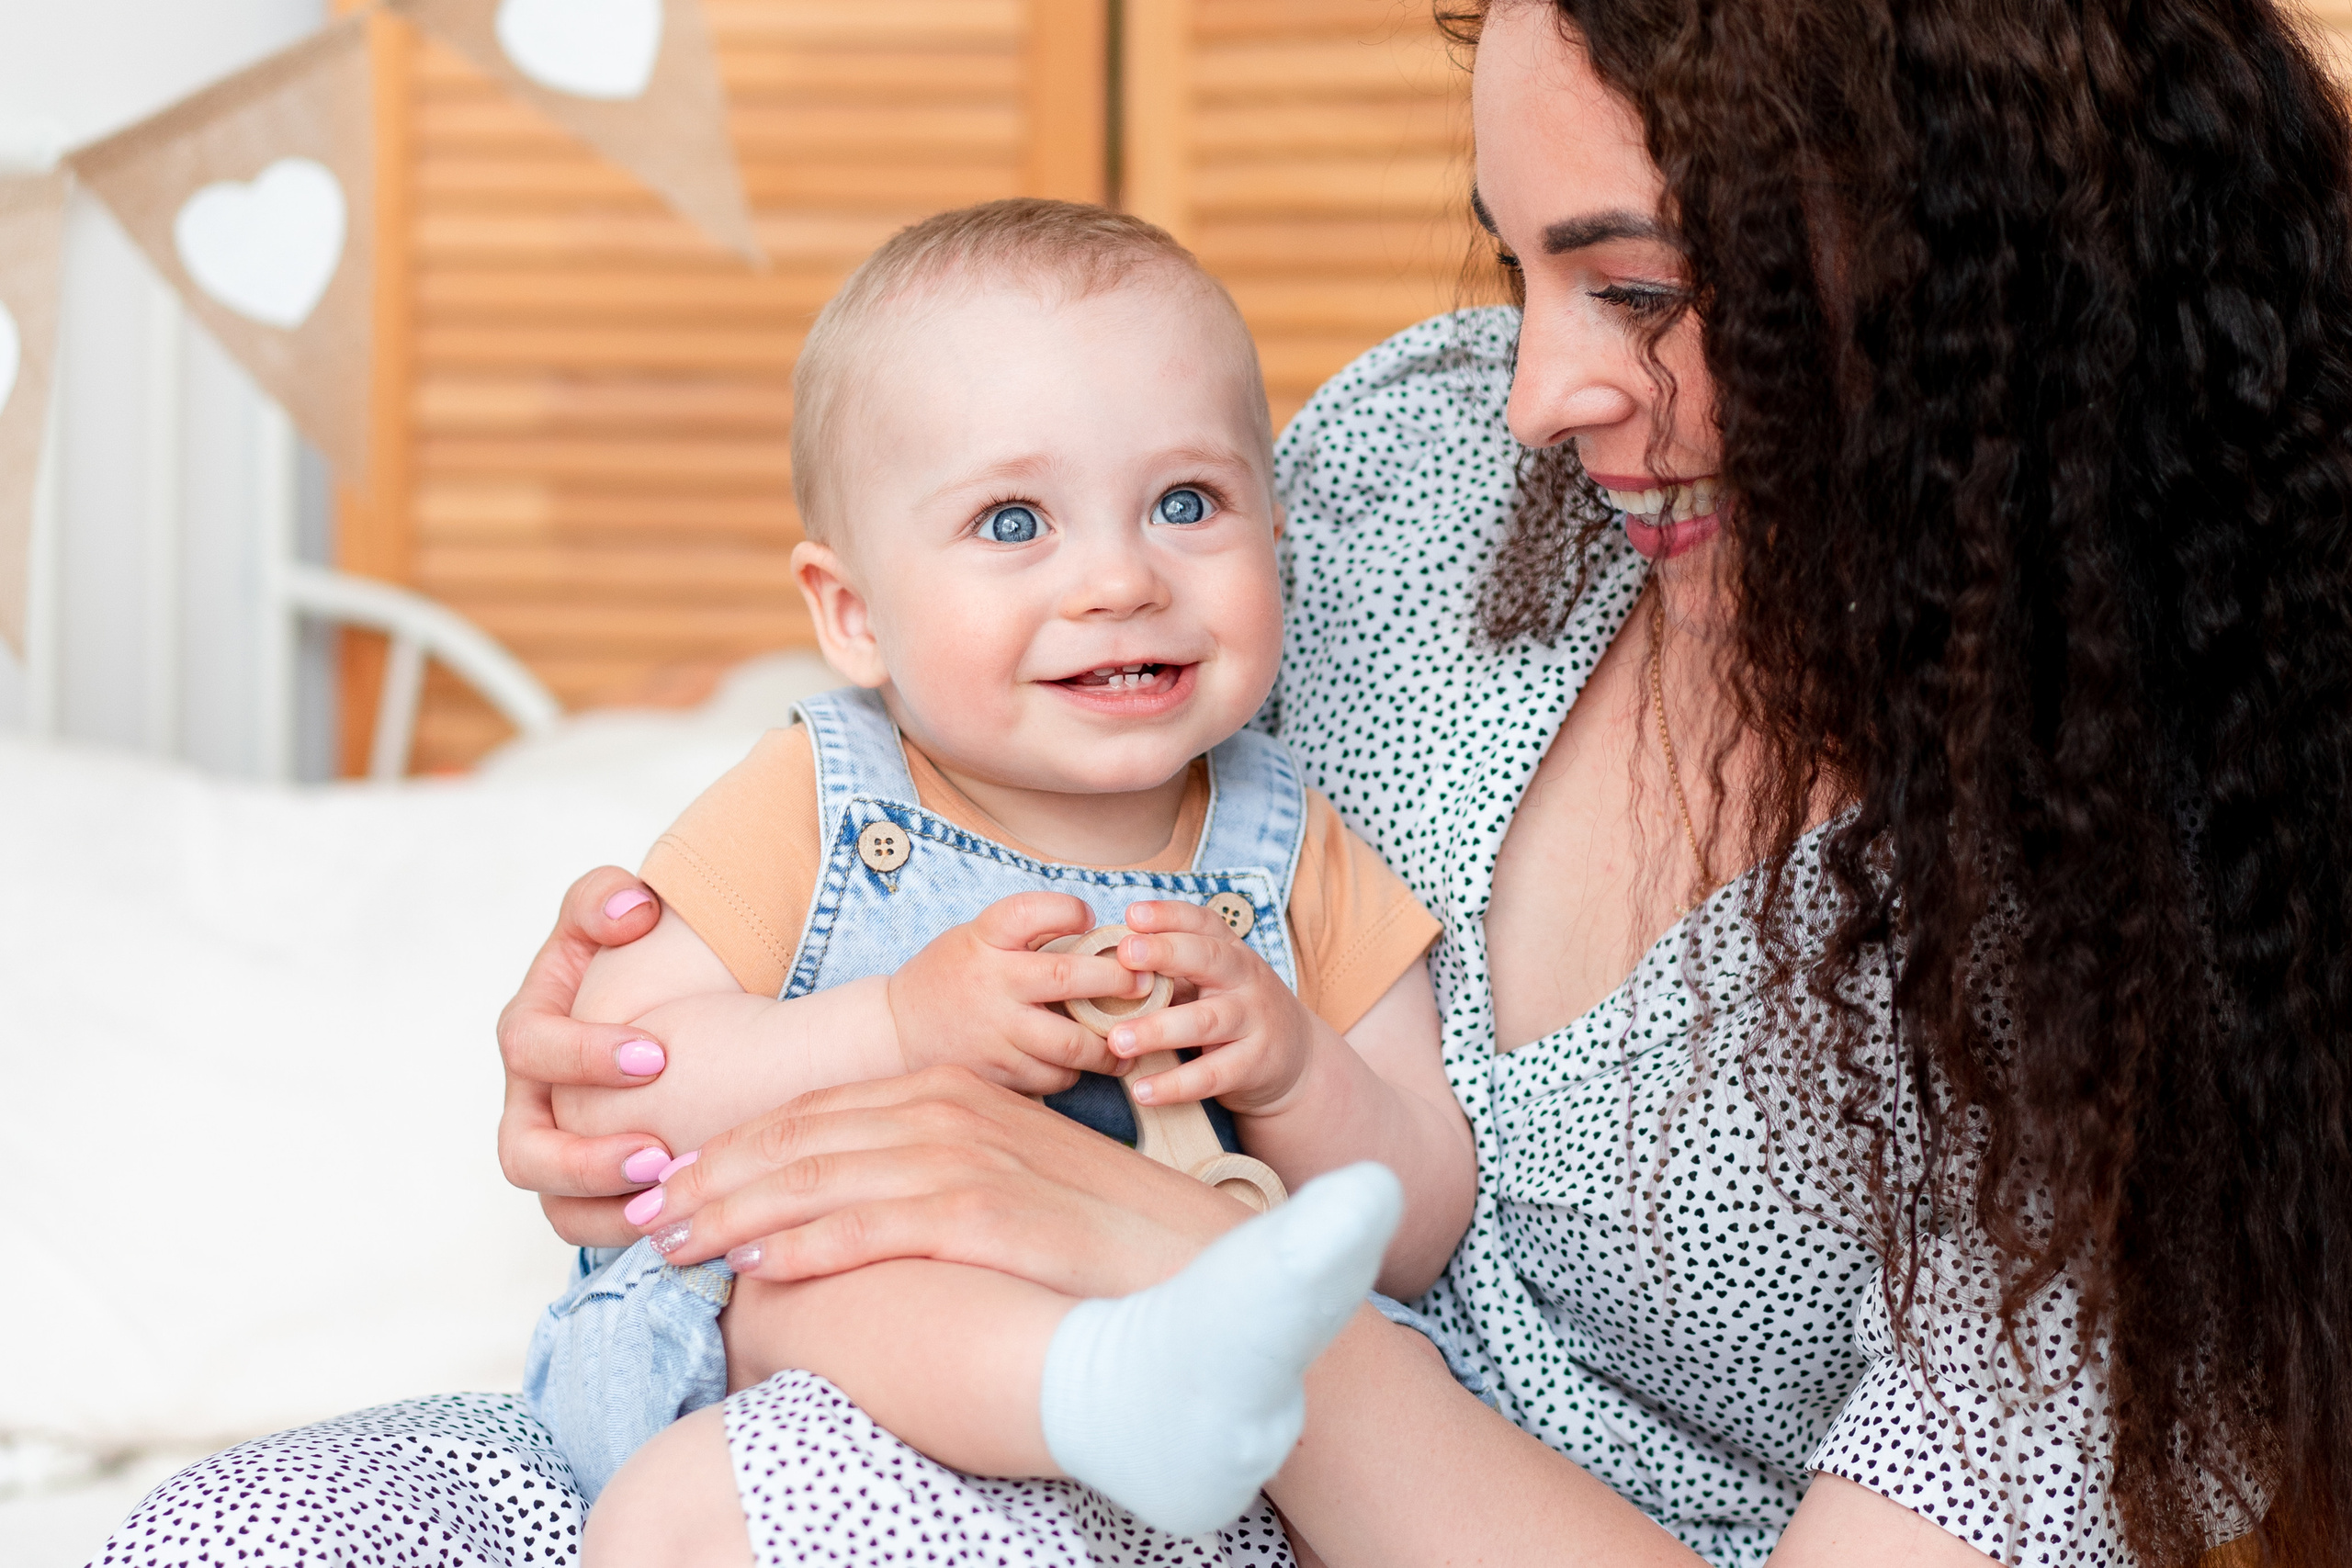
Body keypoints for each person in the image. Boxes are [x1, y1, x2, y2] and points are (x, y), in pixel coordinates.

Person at [101, 0, 2352, 1564]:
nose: (1533, 393)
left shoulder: (2177, 987)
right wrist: (646, 1087)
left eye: (1642, 288)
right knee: (234, 1526)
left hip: (1177, 1495)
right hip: (826, 1395)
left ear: (1987, 294)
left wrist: (1187, 1271)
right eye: (1516, 271)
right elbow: (890, 841)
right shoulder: (1382, 478)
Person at [520, 198, 1469, 1545]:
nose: (1120, 578)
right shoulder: (817, 796)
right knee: (829, 1275)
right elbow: (615, 1087)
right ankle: (1094, 1387)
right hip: (806, 1388)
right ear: (853, 615)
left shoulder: (1299, 842)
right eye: (1015, 521)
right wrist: (899, 1027)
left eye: (1186, 503)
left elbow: (1417, 1221)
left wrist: (1300, 1072)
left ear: (1276, 534)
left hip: (1192, 1465)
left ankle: (1144, 1394)